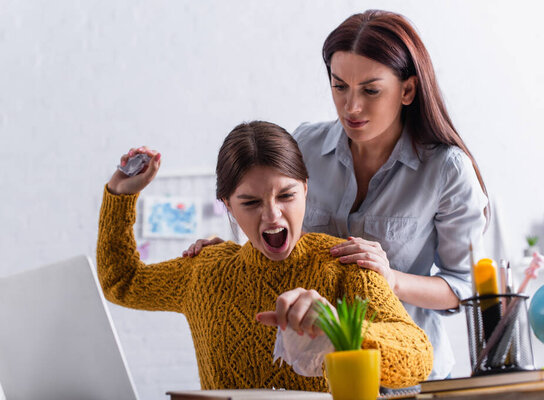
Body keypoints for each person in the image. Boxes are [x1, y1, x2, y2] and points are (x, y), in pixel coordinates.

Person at [183, 10, 488, 379]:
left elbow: (463, 286)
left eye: (370, 90)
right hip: (314, 372)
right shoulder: (305, 144)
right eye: (339, 86)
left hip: (399, 372)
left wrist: (391, 278)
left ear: (407, 90)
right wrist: (235, 254)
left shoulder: (446, 170)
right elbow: (279, 230)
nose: (351, 107)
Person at [97, 121, 433, 391]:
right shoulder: (204, 271)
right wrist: (119, 197)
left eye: (286, 195)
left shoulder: (343, 265)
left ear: (305, 188)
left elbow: (419, 357)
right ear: (227, 205)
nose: (272, 216)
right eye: (251, 203)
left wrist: (339, 327)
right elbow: (122, 282)